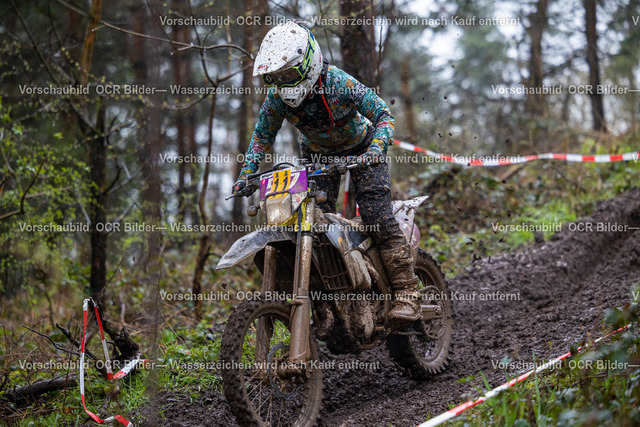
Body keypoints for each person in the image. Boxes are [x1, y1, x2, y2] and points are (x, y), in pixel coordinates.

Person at [232, 22, 420, 323]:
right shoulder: (277, 98)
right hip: (318, 157)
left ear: (309, 63)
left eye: (289, 74)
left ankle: (407, 292)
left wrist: (376, 149)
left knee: (376, 216)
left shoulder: (338, 83)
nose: (283, 82)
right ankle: (331, 300)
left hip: (362, 150)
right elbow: (261, 138)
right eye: (275, 77)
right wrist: (247, 175)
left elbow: (383, 114)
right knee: (312, 224)